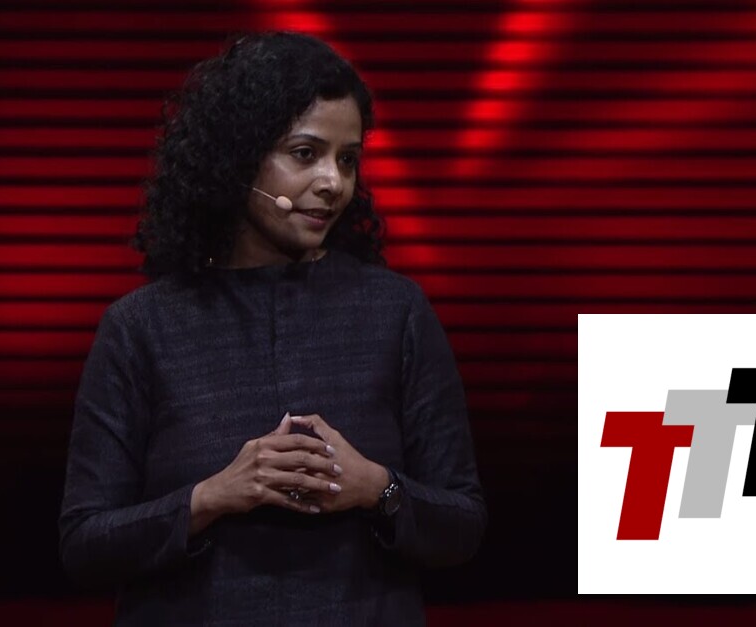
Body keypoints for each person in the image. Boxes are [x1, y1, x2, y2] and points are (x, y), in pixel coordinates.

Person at [59, 31, 486, 626]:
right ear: (238, 159)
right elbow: (85, 544)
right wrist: (212, 497)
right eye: (305, 154)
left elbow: (462, 524)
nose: (333, 182)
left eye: (348, 159)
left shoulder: (396, 312)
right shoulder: (142, 328)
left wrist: (377, 488)